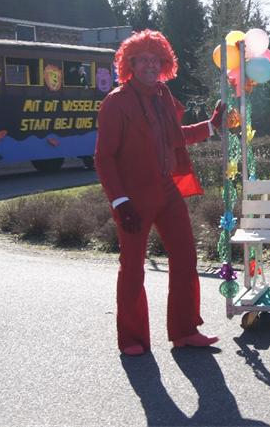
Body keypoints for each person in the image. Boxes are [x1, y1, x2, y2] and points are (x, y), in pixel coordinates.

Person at [94, 30, 225, 356]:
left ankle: (185, 330)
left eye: (156, 60)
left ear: (164, 63)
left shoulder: (162, 95)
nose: (151, 65)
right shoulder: (116, 102)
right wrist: (120, 201)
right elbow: (104, 157)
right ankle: (132, 338)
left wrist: (211, 125)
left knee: (186, 256)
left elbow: (175, 137)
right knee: (132, 267)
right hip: (133, 196)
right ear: (130, 63)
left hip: (166, 189)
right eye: (144, 60)